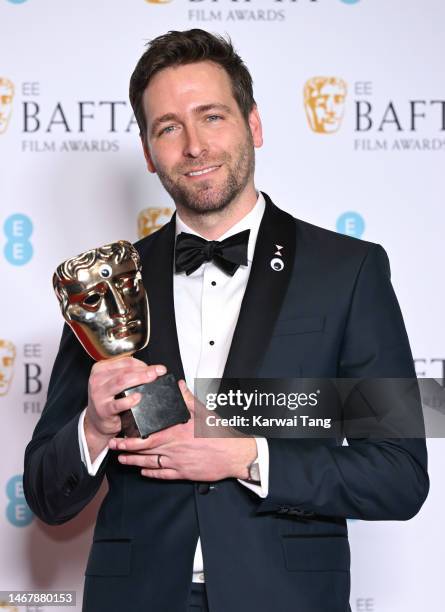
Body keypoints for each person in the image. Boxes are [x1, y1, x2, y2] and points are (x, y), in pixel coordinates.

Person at [24, 29, 429, 612]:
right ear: (148, 151)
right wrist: (91, 428)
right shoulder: (105, 286)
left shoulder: (349, 271)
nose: (193, 146)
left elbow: (399, 474)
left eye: (211, 117)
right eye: (168, 127)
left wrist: (246, 454)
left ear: (253, 125)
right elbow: (45, 492)